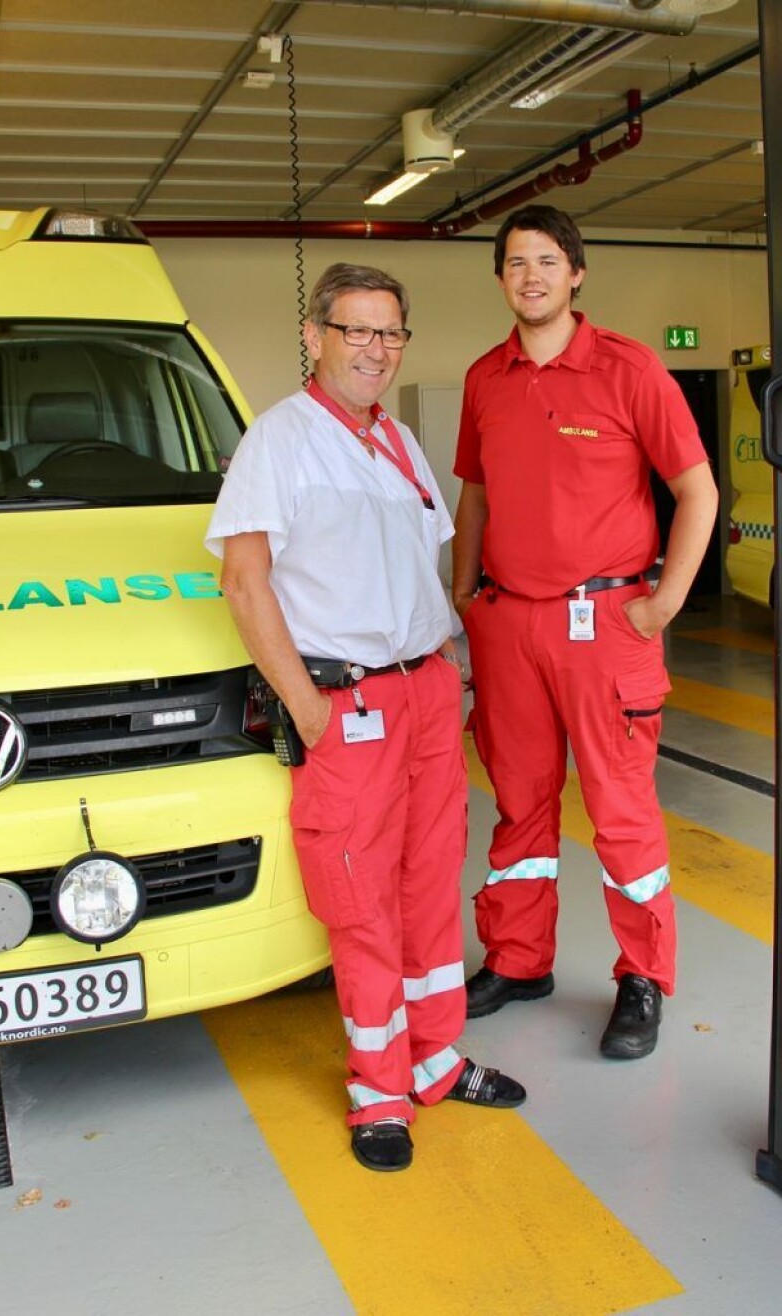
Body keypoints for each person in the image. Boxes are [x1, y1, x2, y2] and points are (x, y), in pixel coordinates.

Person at [206, 262, 526, 1173]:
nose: (376, 351)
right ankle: (379, 1090)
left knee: (429, 886)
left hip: (423, 693)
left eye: (391, 334)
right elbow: (244, 580)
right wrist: (306, 710)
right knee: (362, 903)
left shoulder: (398, 446)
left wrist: (450, 666)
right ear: (315, 337)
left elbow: (417, 568)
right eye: (358, 331)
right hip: (344, 702)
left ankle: (436, 1059)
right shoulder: (280, 441)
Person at [452, 205, 719, 1061]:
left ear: (576, 274)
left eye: (546, 260)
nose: (529, 275)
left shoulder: (628, 369)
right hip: (510, 623)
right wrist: (465, 592)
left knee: (620, 809)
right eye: (514, 262)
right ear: (500, 278)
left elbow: (699, 491)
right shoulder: (484, 377)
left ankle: (642, 977)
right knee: (520, 805)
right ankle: (519, 960)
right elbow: (477, 494)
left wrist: (663, 604)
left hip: (606, 623)